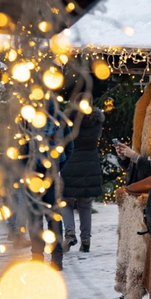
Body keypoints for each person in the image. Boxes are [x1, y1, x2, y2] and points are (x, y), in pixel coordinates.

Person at [24, 103, 74, 271]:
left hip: (33, 175)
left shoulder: (28, 117)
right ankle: (57, 260)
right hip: (52, 174)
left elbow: (20, 148)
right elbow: (70, 147)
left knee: (35, 217)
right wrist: (58, 167)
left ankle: (37, 258)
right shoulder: (60, 118)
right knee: (54, 218)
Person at [61, 106, 104, 252]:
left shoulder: (68, 121)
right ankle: (86, 241)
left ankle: (70, 233)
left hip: (70, 164)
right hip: (90, 166)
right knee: (85, 205)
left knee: (65, 201)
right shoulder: (97, 122)